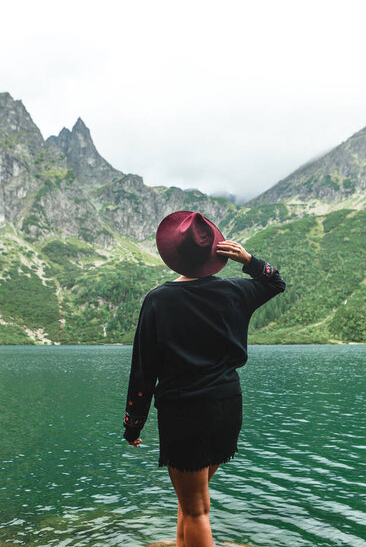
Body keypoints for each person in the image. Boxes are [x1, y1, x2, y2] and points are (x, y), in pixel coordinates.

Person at [123, 210, 286, 547]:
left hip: (185, 413)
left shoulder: (158, 300)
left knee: (195, 508)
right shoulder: (236, 292)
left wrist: (133, 424)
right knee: (193, 498)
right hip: (227, 407)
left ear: (175, 257)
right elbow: (275, 282)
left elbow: (143, 370)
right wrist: (251, 260)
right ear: (215, 252)